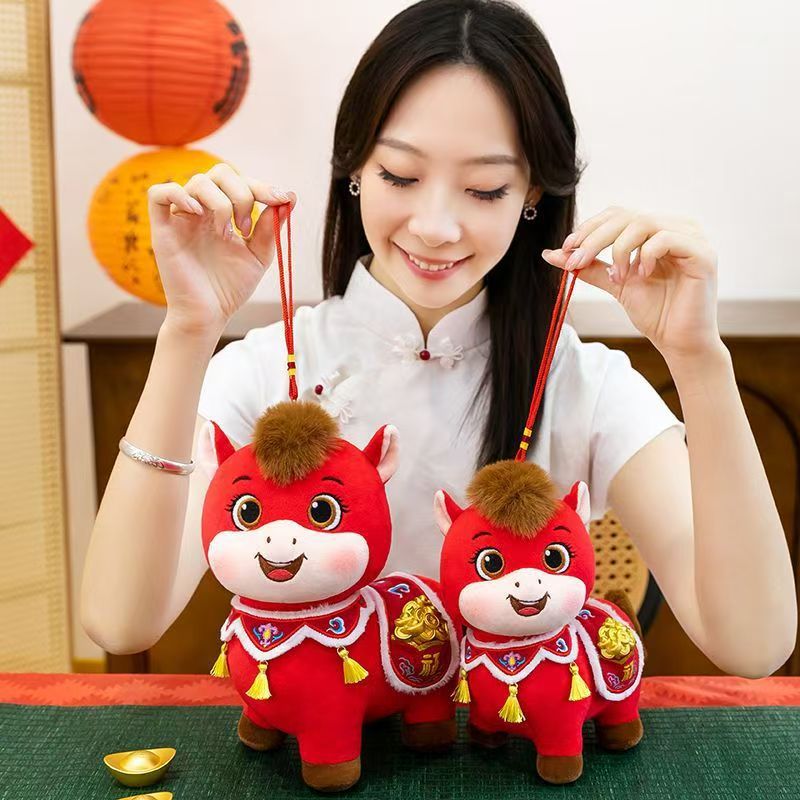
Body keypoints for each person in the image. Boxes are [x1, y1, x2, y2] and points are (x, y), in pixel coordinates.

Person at [81, 0, 795, 677]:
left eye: (484, 189)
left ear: (532, 196)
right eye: (400, 175)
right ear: (354, 168)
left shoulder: (583, 384)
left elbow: (753, 643)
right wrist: (189, 330)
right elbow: (119, 621)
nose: (434, 227)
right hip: (324, 741)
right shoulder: (263, 370)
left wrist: (699, 360)